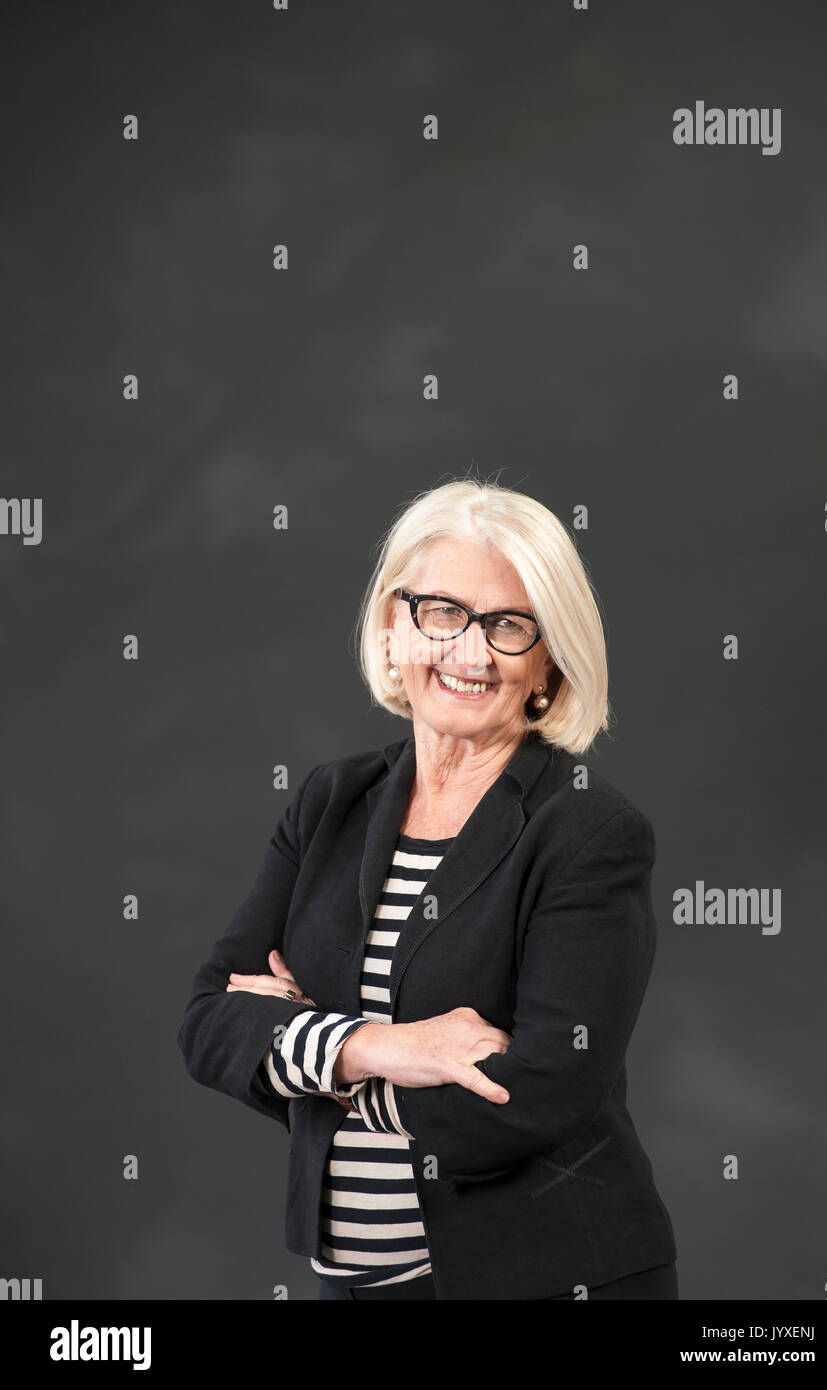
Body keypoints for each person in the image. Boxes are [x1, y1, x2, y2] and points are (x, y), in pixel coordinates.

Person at [177, 477, 678, 1300]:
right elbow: (207, 1023)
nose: (471, 653)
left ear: (549, 655)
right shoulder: (331, 801)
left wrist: (306, 1048)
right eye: (442, 611)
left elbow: (541, 1092)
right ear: (392, 623)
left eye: (509, 625)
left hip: (543, 1279)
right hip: (353, 1282)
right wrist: (383, 1048)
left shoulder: (587, 831)